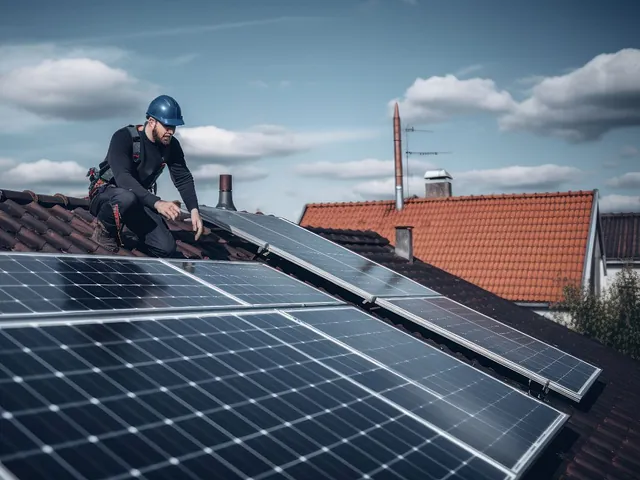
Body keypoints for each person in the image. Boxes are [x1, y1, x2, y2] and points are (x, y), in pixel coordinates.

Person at [88, 95, 203, 257]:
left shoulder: (171, 146)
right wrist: (157, 203)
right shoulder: (123, 137)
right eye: (167, 126)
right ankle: (104, 231)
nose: (171, 131)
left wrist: (194, 210)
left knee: (166, 248)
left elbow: (183, 178)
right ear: (151, 121)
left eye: (174, 127)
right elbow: (123, 178)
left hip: (138, 200)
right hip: (107, 195)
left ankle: (132, 233)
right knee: (126, 197)